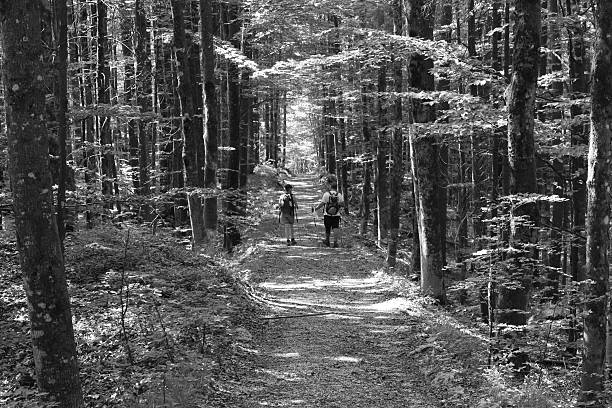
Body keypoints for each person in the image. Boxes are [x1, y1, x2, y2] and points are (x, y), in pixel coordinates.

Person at [313, 179, 344, 248]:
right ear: (336, 188)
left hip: (327, 214)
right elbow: (343, 204)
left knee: (327, 228)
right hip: (336, 214)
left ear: (330, 187)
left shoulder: (326, 194)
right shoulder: (339, 195)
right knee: (335, 227)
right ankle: (335, 242)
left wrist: (316, 209)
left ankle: (327, 241)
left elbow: (322, 203)